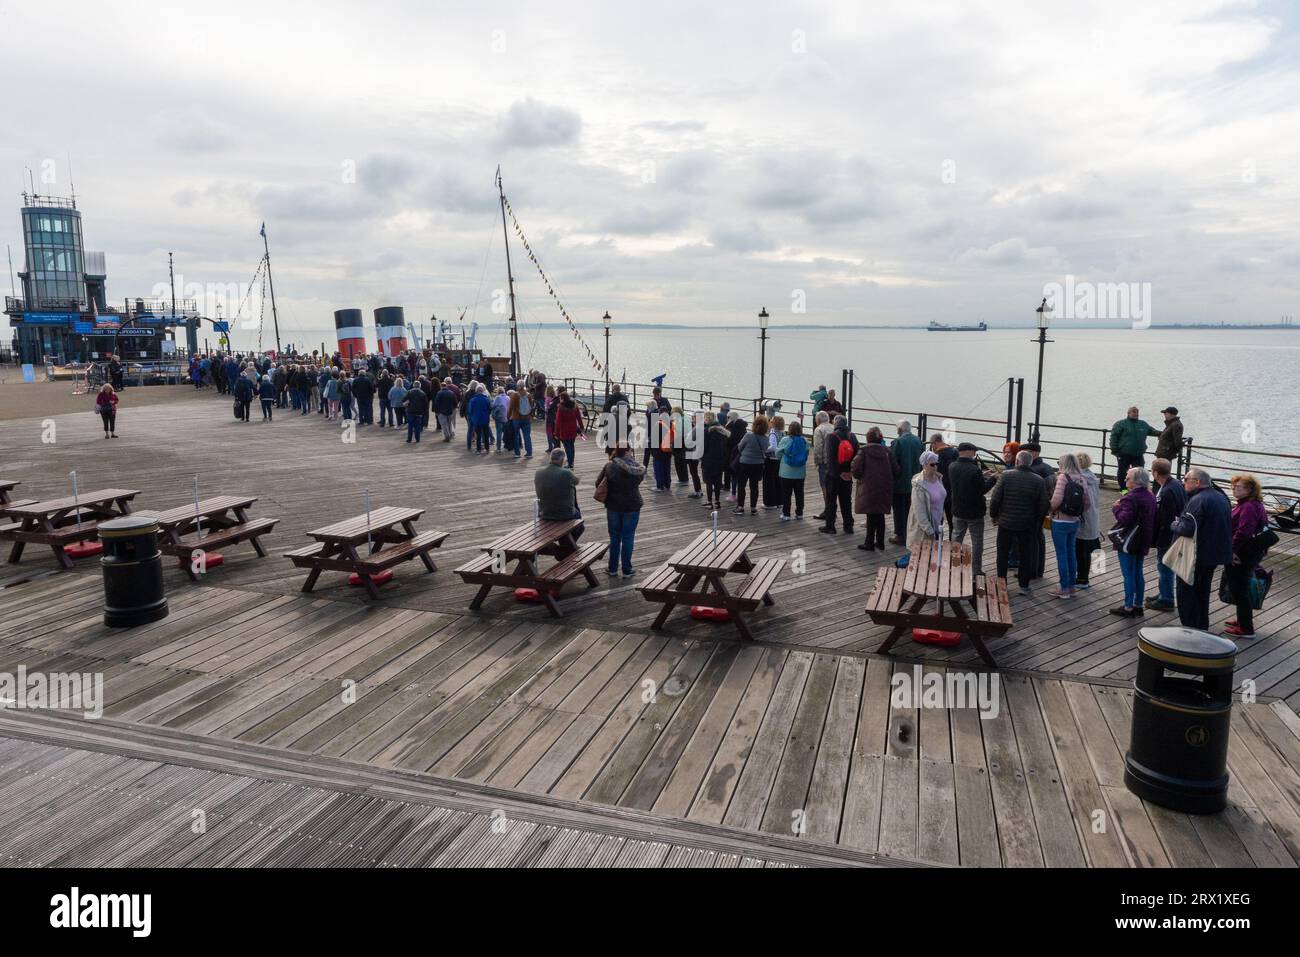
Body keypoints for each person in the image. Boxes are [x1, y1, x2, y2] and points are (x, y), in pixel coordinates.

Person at [1170, 468, 1233, 631]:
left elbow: (1188, 528)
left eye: (1185, 479)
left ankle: (1190, 628)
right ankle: (1201, 626)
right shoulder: (1221, 497)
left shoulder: (1197, 500)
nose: (1183, 482)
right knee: (1202, 592)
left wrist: (1174, 523)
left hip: (1197, 555)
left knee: (1187, 592)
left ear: (1197, 482)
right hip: (1214, 553)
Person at [990, 450, 1050, 596]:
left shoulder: (1006, 476)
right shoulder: (1038, 480)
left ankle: (1001, 583)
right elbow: (1043, 505)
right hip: (1027, 524)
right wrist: (1037, 523)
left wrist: (994, 516)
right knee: (1026, 554)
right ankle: (1024, 585)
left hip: (1006, 522)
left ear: (1017, 461)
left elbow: (996, 498)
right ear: (1030, 463)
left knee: (1002, 553)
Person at [1224, 474, 1269, 638]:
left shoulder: (1248, 507)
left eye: (1239, 487)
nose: (1235, 490)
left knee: (1238, 588)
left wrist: (1232, 550)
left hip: (1243, 553)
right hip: (1251, 552)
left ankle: (1246, 628)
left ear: (1250, 490)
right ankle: (1243, 619)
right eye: (1234, 487)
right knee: (1240, 587)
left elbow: (1244, 531)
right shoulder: (1253, 504)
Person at [1109, 467, 1157, 617]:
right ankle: (1138, 604)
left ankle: (1128, 606)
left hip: (1129, 541)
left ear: (1136, 481)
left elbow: (1124, 519)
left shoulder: (1130, 498)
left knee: (1128, 574)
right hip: (1143, 539)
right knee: (1138, 572)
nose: (1125, 480)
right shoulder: (1150, 495)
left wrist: (1116, 508)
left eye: (1128, 478)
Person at [1146, 457, 1187, 611]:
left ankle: (1166, 599)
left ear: (1155, 473)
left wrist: (1157, 538)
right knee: (1165, 566)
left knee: (1164, 566)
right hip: (1175, 531)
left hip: (1167, 535)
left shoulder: (1167, 491)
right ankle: (1164, 592)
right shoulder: (1175, 484)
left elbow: (1165, 518)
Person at [598, 445, 645, 578]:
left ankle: (612, 568)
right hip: (631, 505)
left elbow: (598, 483)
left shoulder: (609, 466)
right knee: (628, 537)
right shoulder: (637, 470)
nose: (632, 453)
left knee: (614, 537)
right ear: (626, 452)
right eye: (630, 451)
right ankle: (626, 570)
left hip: (613, 505)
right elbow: (639, 479)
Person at [946, 442, 994, 571]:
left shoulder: (952, 466)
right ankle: (976, 569)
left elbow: (964, 481)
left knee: (956, 537)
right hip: (974, 511)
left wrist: (981, 476)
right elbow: (982, 490)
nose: (974, 454)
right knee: (977, 541)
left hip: (957, 509)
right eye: (973, 452)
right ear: (968, 451)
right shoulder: (974, 469)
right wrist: (993, 479)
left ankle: (954, 564)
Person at [1048, 452, 1089, 599]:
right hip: (1075, 521)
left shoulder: (1063, 477)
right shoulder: (1082, 478)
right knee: (1071, 553)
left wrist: (1050, 510)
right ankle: (1072, 586)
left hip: (1060, 521)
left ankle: (1063, 588)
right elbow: (1087, 503)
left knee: (1062, 554)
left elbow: (1056, 501)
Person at [852, 427, 898, 551]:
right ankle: (880, 542)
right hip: (884, 487)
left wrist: (859, 476)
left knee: (871, 516)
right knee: (880, 515)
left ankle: (869, 543)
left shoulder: (863, 451)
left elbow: (856, 468)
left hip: (868, 487)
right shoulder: (887, 452)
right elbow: (896, 469)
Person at [535, 448, 583, 545]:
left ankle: (565, 544)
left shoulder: (538, 472)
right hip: (565, 514)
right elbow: (576, 481)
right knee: (580, 526)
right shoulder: (566, 473)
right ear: (562, 460)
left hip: (544, 512)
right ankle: (567, 547)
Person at [820, 416, 859, 534]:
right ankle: (848, 526)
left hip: (834, 475)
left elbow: (830, 458)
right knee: (846, 501)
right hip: (847, 475)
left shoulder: (831, 437)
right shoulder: (852, 436)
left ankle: (830, 526)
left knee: (831, 500)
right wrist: (850, 472)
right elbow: (857, 455)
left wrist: (838, 473)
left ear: (836, 424)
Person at [888, 419, 923, 544]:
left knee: (898, 509)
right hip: (915, 480)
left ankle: (900, 534)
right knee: (910, 509)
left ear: (899, 430)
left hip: (900, 482)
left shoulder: (898, 442)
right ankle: (909, 533)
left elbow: (893, 462)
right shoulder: (918, 440)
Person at [1073, 452, 1103, 590]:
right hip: (1093, 515)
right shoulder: (1092, 477)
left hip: (1084, 517)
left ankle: (1082, 579)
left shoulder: (1079, 479)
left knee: (1081, 549)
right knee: (1088, 547)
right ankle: (1084, 577)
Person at [1108, 406, 1159, 488]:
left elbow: (1153, 431)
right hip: (1123, 453)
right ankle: (1123, 491)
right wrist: (1115, 450)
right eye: (1133, 412)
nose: (1136, 414)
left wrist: (1165, 433)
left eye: (1137, 412)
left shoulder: (1143, 424)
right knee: (1122, 473)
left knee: (1140, 473)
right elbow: (1114, 437)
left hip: (1138, 454)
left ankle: (1137, 489)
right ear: (1128, 413)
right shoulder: (1120, 424)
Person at [907, 451, 946, 557]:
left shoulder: (938, 478)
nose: (935, 467)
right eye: (932, 464)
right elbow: (919, 511)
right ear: (924, 465)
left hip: (938, 524)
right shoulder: (919, 484)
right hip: (924, 529)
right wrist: (930, 531)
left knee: (934, 558)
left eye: (936, 464)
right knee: (922, 559)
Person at [775, 419, 808, 521]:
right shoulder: (804, 440)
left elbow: (778, 454)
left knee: (786, 493)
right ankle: (799, 513)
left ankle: (786, 514)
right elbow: (806, 454)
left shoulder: (785, 439)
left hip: (786, 472)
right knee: (799, 493)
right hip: (800, 472)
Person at [733, 415, 767, 515]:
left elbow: (739, 447)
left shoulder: (749, 436)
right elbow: (766, 451)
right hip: (758, 464)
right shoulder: (766, 438)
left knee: (741, 485)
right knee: (754, 486)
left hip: (745, 463)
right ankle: (753, 507)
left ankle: (740, 507)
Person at [700, 412, 730, 511]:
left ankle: (709, 502)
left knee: (708, 481)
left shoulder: (706, 431)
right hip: (720, 460)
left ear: (707, 419)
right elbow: (726, 446)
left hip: (709, 460)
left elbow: (703, 447)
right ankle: (717, 502)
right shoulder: (723, 430)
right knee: (717, 481)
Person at [811, 411, 834, 521]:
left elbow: (818, 448)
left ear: (818, 420)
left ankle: (828, 510)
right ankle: (832, 509)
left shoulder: (819, 429)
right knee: (833, 487)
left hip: (825, 462)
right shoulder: (833, 427)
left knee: (825, 486)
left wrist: (817, 461)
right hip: (835, 462)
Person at [554, 389, 583, 466]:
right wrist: (581, 426)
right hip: (573, 429)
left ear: (562, 399)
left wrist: (556, 433)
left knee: (567, 447)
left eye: (560, 398)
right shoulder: (574, 406)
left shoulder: (561, 408)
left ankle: (570, 463)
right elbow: (579, 417)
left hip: (564, 430)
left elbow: (558, 421)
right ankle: (571, 461)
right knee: (571, 445)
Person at [724, 410, 747, 502]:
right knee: (740, 476)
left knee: (733, 475)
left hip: (732, 454)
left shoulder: (730, 429)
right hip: (741, 453)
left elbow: (727, 443)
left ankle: (733, 495)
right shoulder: (743, 428)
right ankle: (739, 494)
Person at [762, 414, 784, 509]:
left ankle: (770, 502)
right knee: (778, 481)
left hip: (771, 459)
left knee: (769, 481)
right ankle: (780, 501)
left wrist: (764, 449)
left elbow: (773, 447)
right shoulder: (782, 433)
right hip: (779, 459)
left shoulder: (773, 433)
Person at [467, 384, 492, 453]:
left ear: (476, 391)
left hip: (476, 420)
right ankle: (487, 449)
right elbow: (490, 409)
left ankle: (478, 450)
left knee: (478, 435)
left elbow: (470, 410)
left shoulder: (473, 400)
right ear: (482, 391)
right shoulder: (486, 399)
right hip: (485, 419)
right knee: (486, 434)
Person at [511, 386, 535, 458]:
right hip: (527, 418)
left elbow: (511, 407)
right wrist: (530, 415)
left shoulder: (514, 396)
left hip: (516, 418)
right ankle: (529, 453)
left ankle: (517, 453)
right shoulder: (529, 395)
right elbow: (531, 406)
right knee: (527, 436)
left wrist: (508, 416)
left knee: (516, 436)